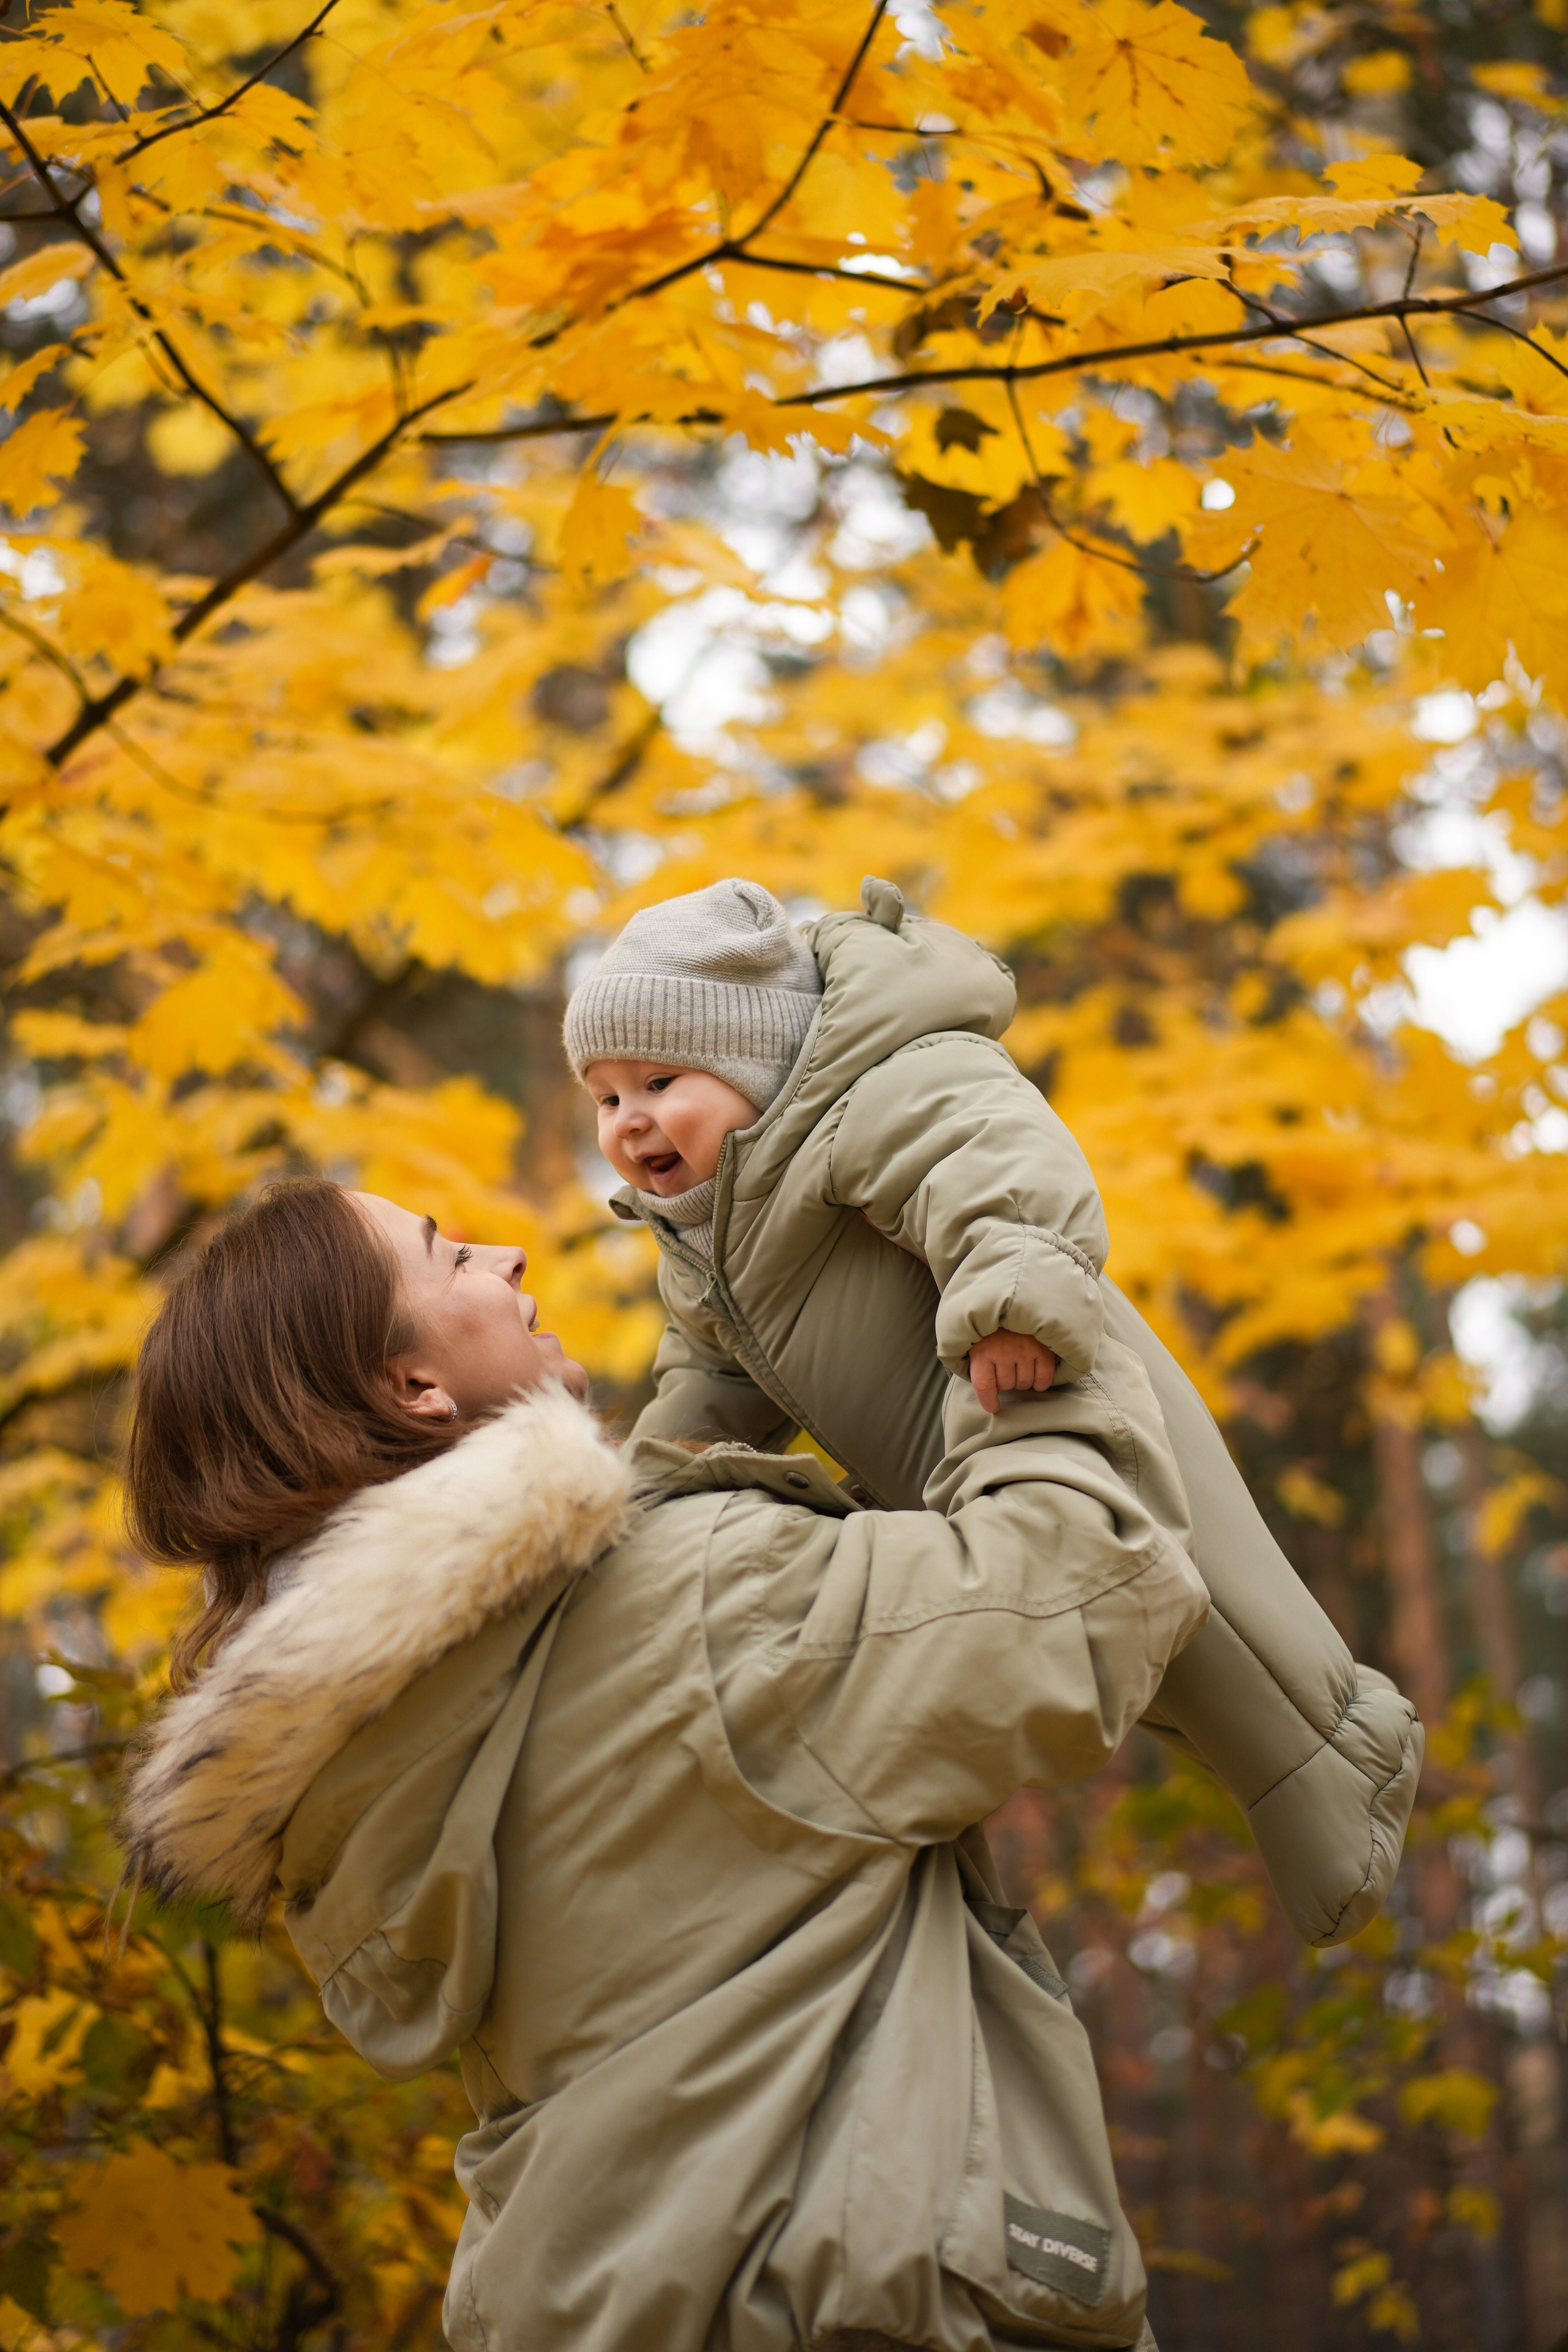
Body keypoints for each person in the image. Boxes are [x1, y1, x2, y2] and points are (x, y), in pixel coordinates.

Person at [122, 1176, 1210, 2352]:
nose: (507, 1256)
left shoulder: (347, 1765)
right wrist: (1025, 1304)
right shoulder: (686, 1594)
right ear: (413, 1387)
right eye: (448, 1257)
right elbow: (1099, 1589)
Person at [566, 876, 1423, 1948]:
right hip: (956, 1460)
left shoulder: (875, 1096)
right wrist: (650, 1489)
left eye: (660, 1080)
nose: (631, 1120)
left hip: (1033, 1370)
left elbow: (1000, 1159)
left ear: (754, 1060)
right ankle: (1305, 1767)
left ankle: (1347, 1754)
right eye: (606, 1099)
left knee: (1212, 1604)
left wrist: (1012, 1293)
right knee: (1152, 1668)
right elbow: (708, 1378)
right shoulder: (705, 1238)